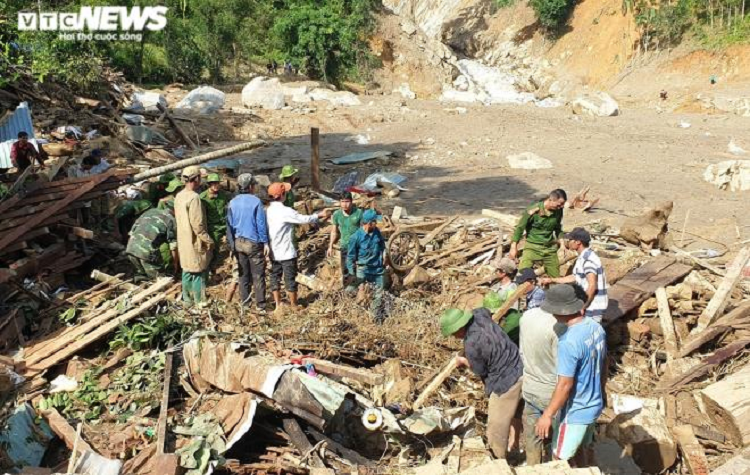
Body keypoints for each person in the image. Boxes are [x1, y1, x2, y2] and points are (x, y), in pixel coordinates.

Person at [535, 284, 606, 466]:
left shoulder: (569, 342)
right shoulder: (595, 328)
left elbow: (565, 384)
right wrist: (602, 392)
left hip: (576, 411)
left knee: (559, 458)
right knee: (583, 447)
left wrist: (547, 415)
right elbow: (603, 362)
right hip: (594, 403)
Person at [440, 307, 523, 459]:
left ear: (459, 328)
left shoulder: (472, 344)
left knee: (495, 429)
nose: (453, 336)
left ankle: (499, 462)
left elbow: (481, 371)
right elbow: (485, 310)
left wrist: (463, 361)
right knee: (518, 413)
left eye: (453, 333)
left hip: (505, 382)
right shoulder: (479, 315)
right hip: (519, 365)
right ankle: (517, 447)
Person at [267, 182, 329, 312]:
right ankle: (294, 305)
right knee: (290, 278)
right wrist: (319, 215)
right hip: (286, 252)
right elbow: (304, 219)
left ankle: (278, 304)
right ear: (282, 195)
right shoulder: (285, 211)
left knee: (275, 277)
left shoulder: (268, 211)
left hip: (273, 251)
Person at [519, 302, 567, 465]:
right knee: (558, 444)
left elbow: (521, 351)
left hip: (530, 388)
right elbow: (564, 370)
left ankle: (533, 468)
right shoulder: (559, 327)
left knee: (532, 441)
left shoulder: (527, 316)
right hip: (552, 394)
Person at [540, 228, 609, 323]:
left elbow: (592, 285)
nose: (568, 242)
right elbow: (575, 277)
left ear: (578, 242)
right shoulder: (582, 257)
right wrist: (552, 280)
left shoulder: (588, 259)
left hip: (592, 308)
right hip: (588, 306)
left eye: (570, 240)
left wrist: (583, 306)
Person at [226, 173, 269, 312]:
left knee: (243, 275)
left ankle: (245, 303)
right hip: (253, 243)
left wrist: (232, 245)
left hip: (238, 242)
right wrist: (265, 242)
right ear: (251, 186)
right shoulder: (256, 202)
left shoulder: (232, 202)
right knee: (258, 275)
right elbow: (261, 224)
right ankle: (260, 305)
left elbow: (229, 225)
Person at [174, 166, 213, 306]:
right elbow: (198, 225)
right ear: (196, 179)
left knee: (186, 270)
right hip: (193, 240)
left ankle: (187, 299)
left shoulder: (179, 196)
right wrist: (208, 240)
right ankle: (199, 300)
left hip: (182, 240)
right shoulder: (194, 198)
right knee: (198, 271)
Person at [510, 189, 567, 278]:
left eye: (563, 204)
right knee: (522, 275)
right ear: (551, 199)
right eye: (559, 204)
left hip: (549, 248)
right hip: (532, 247)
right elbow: (520, 228)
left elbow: (558, 228)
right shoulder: (532, 210)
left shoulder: (558, 211)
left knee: (555, 278)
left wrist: (562, 245)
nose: (562, 206)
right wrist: (513, 247)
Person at [346, 209, 388, 322]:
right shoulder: (355, 238)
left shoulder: (377, 232)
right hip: (363, 269)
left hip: (378, 269)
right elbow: (350, 258)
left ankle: (376, 319)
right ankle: (357, 318)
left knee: (378, 295)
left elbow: (382, 245)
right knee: (360, 294)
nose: (377, 223)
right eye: (375, 221)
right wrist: (352, 274)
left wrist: (385, 254)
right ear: (369, 223)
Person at [125, 203, 179, 281]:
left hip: (131, 249)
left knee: (142, 275)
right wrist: (175, 264)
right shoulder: (171, 219)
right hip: (146, 252)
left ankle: (139, 286)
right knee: (159, 280)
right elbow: (173, 246)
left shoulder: (150, 211)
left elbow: (131, 233)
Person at [327, 192, 363, 284]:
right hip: (345, 247)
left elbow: (364, 231)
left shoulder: (358, 213)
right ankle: (347, 289)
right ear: (339, 202)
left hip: (357, 247)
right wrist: (330, 246)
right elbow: (334, 231)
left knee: (357, 270)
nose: (344, 204)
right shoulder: (337, 214)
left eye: (347, 201)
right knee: (345, 272)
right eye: (342, 201)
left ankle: (358, 289)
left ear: (351, 202)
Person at [200, 173, 232, 249]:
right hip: (213, 227)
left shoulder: (223, 194)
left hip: (224, 224)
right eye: (214, 183)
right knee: (214, 249)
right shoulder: (202, 197)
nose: (216, 185)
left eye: (217, 183)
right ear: (209, 184)